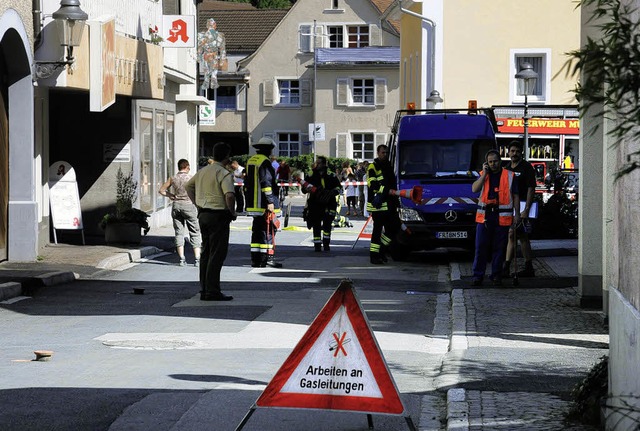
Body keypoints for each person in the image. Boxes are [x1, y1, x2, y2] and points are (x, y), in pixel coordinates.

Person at [185, 143, 236, 301]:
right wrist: (232, 211)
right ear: (227, 156)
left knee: (206, 252)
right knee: (217, 253)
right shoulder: (223, 173)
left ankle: (204, 288)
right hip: (218, 215)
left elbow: (188, 186)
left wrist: (197, 203)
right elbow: (229, 195)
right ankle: (213, 291)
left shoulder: (203, 171)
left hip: (203, 214)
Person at [471, 149, 520, 286]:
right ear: (486, 163)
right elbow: (474, 189)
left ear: (500, 161)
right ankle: (477, 276)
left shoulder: (510, 175)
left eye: (495, 161)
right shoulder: (483, 175)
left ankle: (496, 275)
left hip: (502, 217)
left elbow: (516, 196)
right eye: (490, 162)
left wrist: (517, 214)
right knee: (480, 247)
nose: (493, 164)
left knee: (499, 248)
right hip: (484, 216)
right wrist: (484, 174)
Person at [245, 138, 282, 268]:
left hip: (253, 204)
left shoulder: (251, 160)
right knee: (268, 231)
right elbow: (266, 183)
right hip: (264, 204)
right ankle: (268, 258)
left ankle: (256, 259)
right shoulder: (265, 162)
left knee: (257, 232)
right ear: (268, 149)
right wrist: (270, 201)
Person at [503, 140, 538, 278]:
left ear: (521, 152)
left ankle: (511, 267)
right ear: (509, 152)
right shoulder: (506, 168)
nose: (515, 154)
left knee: (517, 235)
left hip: (523, 206)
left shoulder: (526, 167)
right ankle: (526, 267)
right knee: (516, 235)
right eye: (512, 151)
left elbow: (531, 189)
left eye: (517, 151)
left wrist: (527, 209)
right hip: (510, 207)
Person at [159, 159, 202, 267]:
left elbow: (161, 190)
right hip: (189, 205)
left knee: (179, 232)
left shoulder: (173, 178)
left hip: (176, 206)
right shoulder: (192, 178)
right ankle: (197, 258)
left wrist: (171, 196)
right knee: (194, 231)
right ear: (187, 166)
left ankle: (182, 259)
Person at [367, 145, 401, 264]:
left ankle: (382, 250)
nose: (385, 155)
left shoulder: (389, 166)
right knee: (377, 231)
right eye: (382, 152)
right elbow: (372, 184)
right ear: (377, 153)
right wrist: (387, 190)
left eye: (386, 153)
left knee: (393, 228)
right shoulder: (373, 166)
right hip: (378, 205)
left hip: (390, 204)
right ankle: (374, 256)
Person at [301, 156, 342, 252]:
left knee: (327, 225)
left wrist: (331, 193)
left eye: (319, 163)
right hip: (315, 204)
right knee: (316, 224)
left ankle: (326, 244)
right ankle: (317, 246)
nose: (317, 165)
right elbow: (304, 189)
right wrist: (306, 189)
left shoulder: (331, 175)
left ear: (324, 164)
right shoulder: (311, 175)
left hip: (329, 203)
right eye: (316, 163)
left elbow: (339, 188)